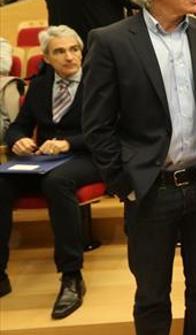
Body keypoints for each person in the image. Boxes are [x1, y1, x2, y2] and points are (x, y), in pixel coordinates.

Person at [82, 0, 196, 335]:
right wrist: (124, 183)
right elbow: (97, 124)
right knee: (152, 295)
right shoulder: (112, 41)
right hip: (150, 190)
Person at [0, 26, 101, 318]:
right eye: (59, 51)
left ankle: (71, 276)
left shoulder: (98, 82)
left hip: (87, 157)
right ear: (46, 57)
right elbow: (20, 124)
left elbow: (109, 131)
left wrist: (68, 142)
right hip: (43, 159)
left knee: (57, 182)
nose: (69, 57)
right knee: (1, 181)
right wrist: (16, 139)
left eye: (74, 49)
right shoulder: (41, 86)